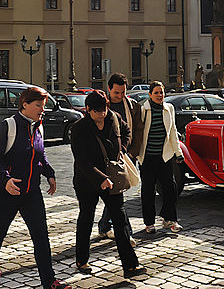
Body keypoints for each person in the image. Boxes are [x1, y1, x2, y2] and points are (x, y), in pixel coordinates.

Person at [0, 86, 69, 289]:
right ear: (25, 104)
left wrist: (49, 173)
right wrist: (6, 180)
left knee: (41, 236)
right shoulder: (8, 126)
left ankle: (49, 281)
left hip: (31, 191)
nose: (42, 110)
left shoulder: (38, 126)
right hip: (6, 191)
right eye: (38, 105)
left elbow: (40, 155)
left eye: (44, 106)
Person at [70, 91, 146, 279]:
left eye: (103, 110)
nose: (101, 114)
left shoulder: (114, 118)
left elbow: (127, 131)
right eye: (97, 111)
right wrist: (100, 178)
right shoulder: (79, 128)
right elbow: (82, 160)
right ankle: (82, 259)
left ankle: (130, 266)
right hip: (88, 181)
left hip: (113, 179)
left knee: (120, 221)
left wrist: (123, 149)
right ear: (88, 110)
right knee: (86, 218)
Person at [97, 73, 142, 245]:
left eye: (123, 92)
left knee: (117, 193)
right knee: (116, 195)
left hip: (126, 156)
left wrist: (130, 151)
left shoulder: (131, 106)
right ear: (109, 90)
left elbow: (133, 131)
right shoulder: (102, 105)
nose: (120, 96)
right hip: (107, 158)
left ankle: (103, 225)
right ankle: (126, 234)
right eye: (117, 93)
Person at [137, 81, 183, 234]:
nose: (159, 95)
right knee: (148, 191)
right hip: (148, 157)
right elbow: (138, 134)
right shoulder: (144, 110)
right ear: (150, 94)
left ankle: (170, 219)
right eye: (156, 93)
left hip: (165, 156)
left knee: (171, 188)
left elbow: (173, 132)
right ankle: (149, 223)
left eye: (161, 92)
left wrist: (178, 153)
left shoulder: (169, 109)